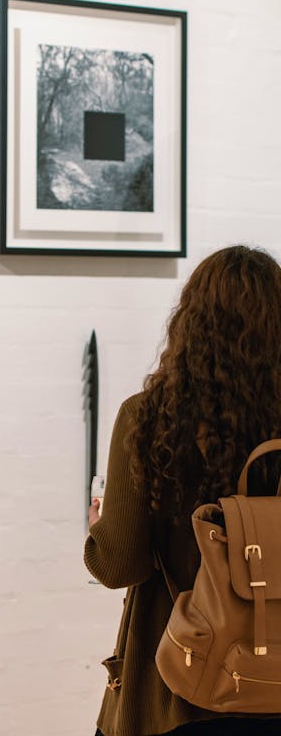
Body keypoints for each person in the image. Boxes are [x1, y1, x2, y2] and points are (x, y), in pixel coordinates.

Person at [84, 245, 281, 736]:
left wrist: (98, 527)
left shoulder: (149, 419)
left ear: (190, 324)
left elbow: (118, 565)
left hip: (176, 685)